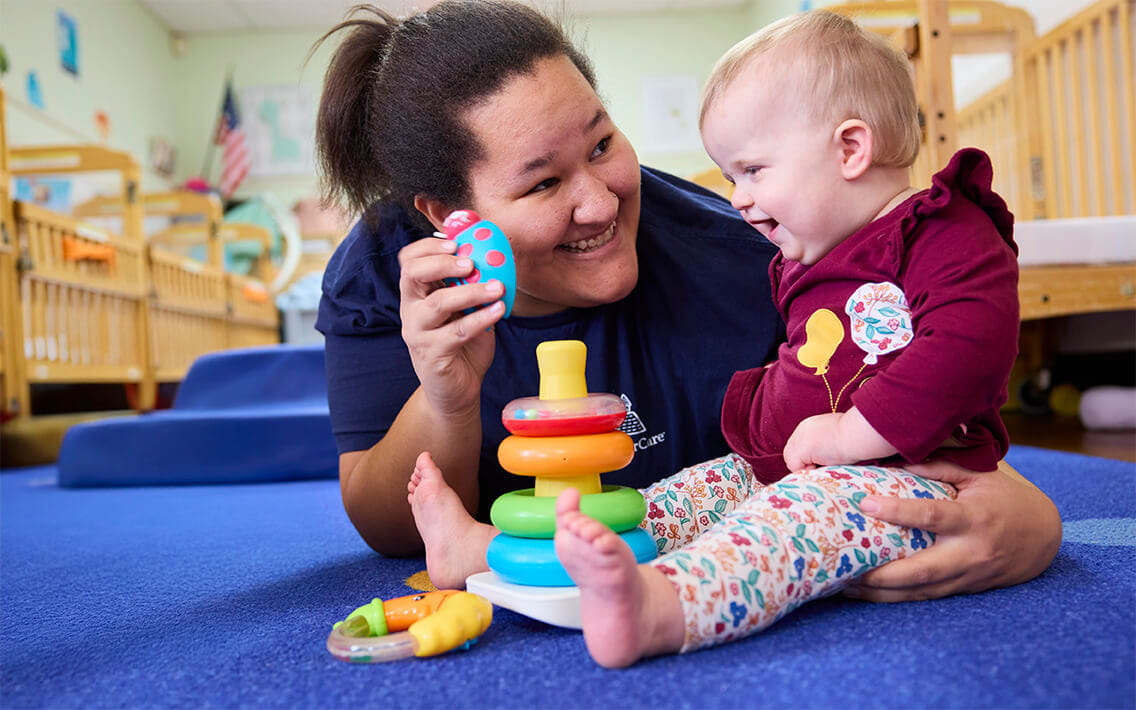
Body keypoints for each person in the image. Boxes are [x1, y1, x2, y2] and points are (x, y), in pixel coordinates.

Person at [313, 0, 1060, 620]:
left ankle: (662, 610)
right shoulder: (383, 276)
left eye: (602, 143)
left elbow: (915, 400)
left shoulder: (755, 254)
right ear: (450, 215)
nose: (600, 202)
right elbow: (387, 528)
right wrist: (448, 396)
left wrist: (1033, 521)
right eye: (542, 185)